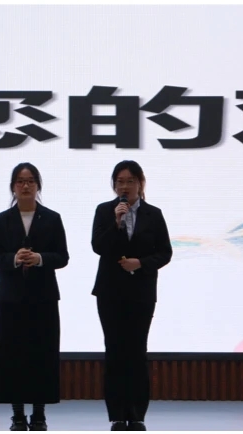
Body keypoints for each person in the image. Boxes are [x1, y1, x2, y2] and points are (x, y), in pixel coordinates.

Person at [0, 162, 69, 431]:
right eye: (20, 181)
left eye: (31, 181)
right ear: (13, 186)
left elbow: (62, 257)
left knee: (42, 355)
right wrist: (14, 259)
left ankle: (40, 414)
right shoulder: (2, 219)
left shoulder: (52, 218)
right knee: (13, 356)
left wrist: (40, 258)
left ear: (38, 186)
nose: (25, 185)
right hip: (10, 299)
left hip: (43, 298)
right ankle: (18, 414)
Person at [91, 160, 173, 431]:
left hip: (141, 292)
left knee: (137, 352)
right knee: (114, 351)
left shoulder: (153, 214)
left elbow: (165, 252)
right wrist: (116, 223)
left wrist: (141, 263)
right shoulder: (105, 211)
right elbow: (98, 246)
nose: (124, 186)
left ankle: (136, 415)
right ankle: (117, 414)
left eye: (130, 181)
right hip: (110, 292)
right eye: (119, 181)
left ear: (140, 183)